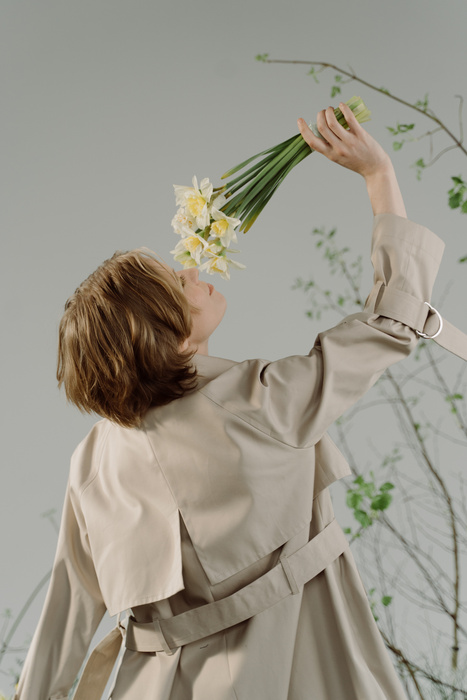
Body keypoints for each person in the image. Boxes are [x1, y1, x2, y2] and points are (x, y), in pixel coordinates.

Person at [14, 102, 446, 700]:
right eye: (175, 283)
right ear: (170, 335)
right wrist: (379, 176)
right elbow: (391, 323)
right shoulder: (262, 402)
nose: (192, 272)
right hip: (300, 668)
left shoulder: (91, 465)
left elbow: (64, 619)